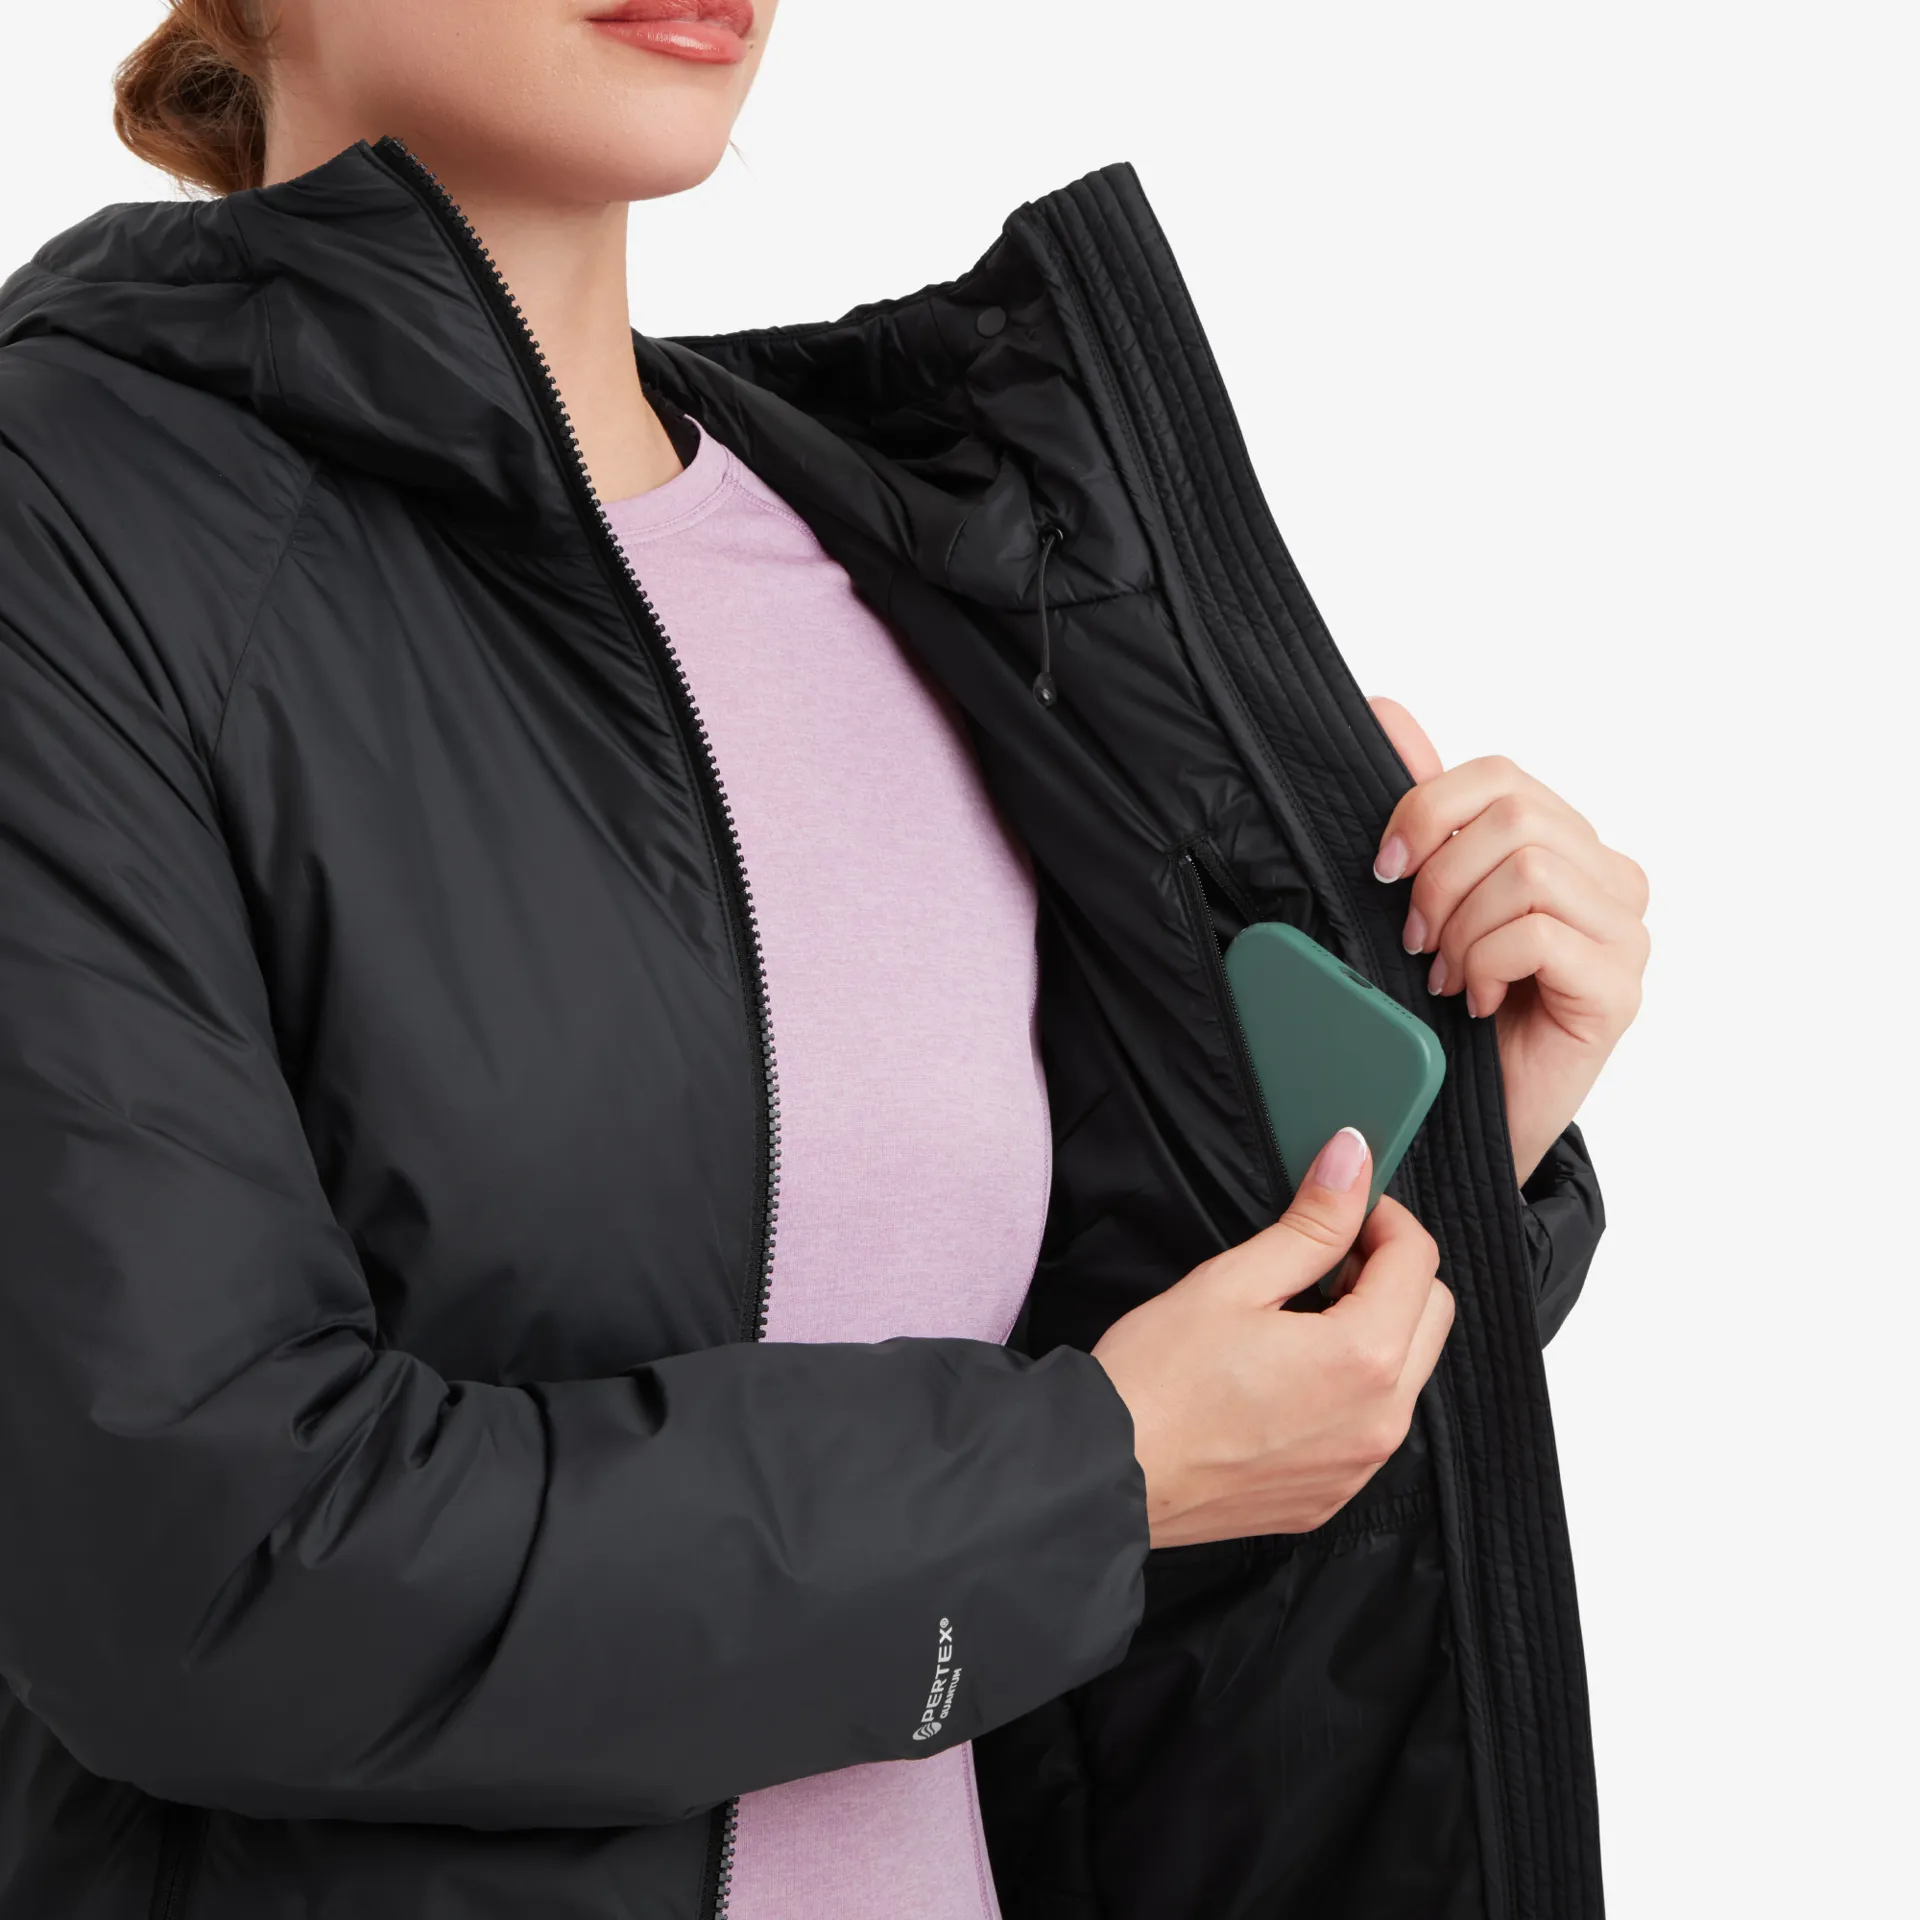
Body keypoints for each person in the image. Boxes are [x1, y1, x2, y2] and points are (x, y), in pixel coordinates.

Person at [0, 2, 1649, 1916]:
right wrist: (1087, 1476)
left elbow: (1100, 1486)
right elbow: (201, 1573)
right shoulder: (69, 528)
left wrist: (1423, 1183)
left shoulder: (911, 553)